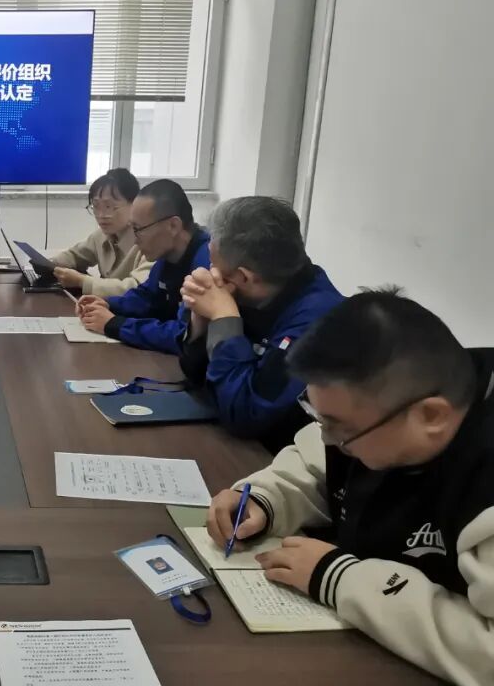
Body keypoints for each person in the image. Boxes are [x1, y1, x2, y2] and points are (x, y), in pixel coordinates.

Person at [206, 290, 494, 686]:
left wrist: (340, 579)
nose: (327, 438)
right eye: (319, 417)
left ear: (431, 416)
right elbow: (313, 463)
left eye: (340, 428)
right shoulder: (380, 411)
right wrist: (262, 498)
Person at [177, 196, 343, 450]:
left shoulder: (319, 322)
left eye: (213, 264)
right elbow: (198, 378)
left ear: (244, 277)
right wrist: (202, 321)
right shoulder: (262, 290)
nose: (210, 272)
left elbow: (245, 414)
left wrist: (223, 319)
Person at [77, 178, 209, 353]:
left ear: (173, 226)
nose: (135, 241)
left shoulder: (206, 264)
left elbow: (184, 335)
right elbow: (146, 297)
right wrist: (108, 304)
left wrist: (114, 324)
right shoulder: (167, 256)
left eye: (138, 229)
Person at [51, 168, 153, 297]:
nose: (101, 215)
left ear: (134, 204)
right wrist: (49, 264)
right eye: (96, 206)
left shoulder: (149, 242)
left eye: (109, 207)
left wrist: (83, 281)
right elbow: (75, 256)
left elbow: (136, 287)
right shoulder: (101, 236)